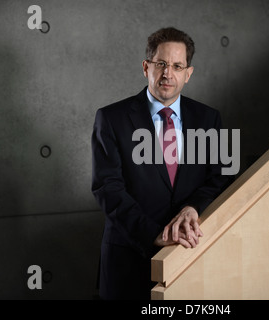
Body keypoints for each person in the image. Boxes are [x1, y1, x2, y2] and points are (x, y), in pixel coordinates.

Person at [91, 27, 232, 300]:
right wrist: (154, 235)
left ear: (188, 74)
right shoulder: (111, 118)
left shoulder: (209, 119)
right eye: (161, 64)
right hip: (127, 263)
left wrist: (194, 207)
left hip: (189, 258)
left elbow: (222, 175)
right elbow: (107, 188)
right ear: (146, 67)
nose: (168, 73)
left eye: (178, 66)